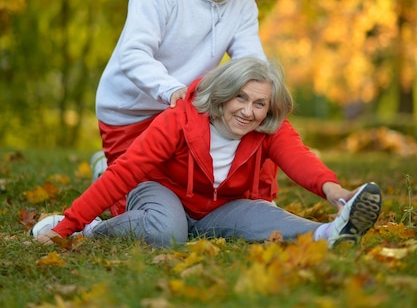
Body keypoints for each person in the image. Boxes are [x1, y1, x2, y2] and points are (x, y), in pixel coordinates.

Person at [32, 58, 382, 249]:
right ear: (222, 95)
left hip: (220, 205)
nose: (249, 111)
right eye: (240, 98)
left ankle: (330, 233)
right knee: (167, 233)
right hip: (161, 190)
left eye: (260, 103)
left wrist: (334, 190)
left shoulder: (267, 126)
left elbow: (298, 158)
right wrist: (67, 227)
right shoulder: (179, 121)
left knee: (263, 215)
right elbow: (125, 173)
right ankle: (93, 231)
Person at [91, 0, 273, 214]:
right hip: (132, 111)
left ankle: (263, 203)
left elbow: (251, 65)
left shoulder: (243, 3)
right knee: (134, 213)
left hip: (184, 112)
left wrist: (267, 97)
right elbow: (134, 54)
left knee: (195, 202)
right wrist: (172, 90)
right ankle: (104, 168)